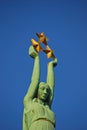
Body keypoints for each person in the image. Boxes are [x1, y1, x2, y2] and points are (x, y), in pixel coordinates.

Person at [23, 46, 57, 130]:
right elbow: (35, 80)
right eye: (42, 89)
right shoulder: (29, 102)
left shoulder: (47, 106)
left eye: (47, 90)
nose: (46, 92)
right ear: (36, 90)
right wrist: (36, 58)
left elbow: (51, 86)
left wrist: (50, 66)